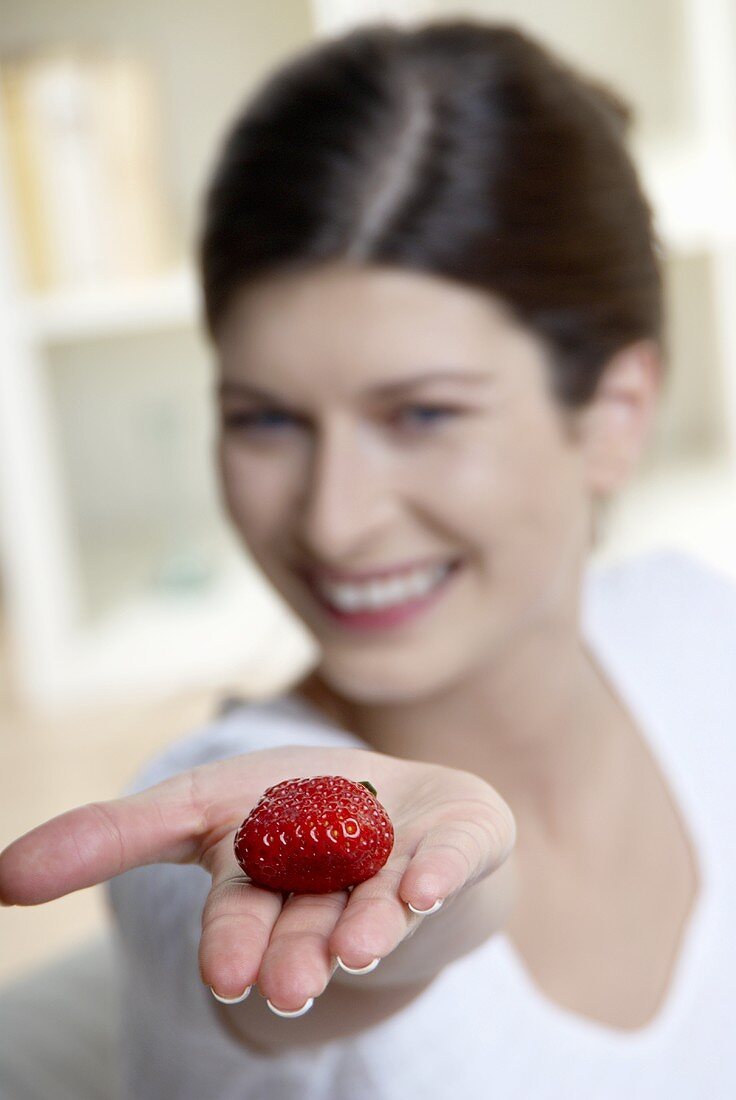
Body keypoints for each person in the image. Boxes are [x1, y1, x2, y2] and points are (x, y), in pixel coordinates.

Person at [2, 17, 736, 1100]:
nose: (334, 522)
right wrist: (426, 889)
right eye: (264, 420)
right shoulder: (192, 833)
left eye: (423, 412)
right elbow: (350, 958)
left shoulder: (696, 627)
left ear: (614, 414)